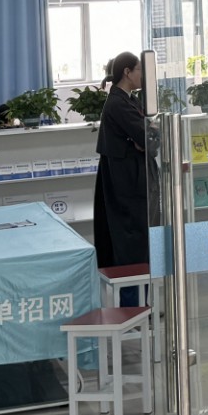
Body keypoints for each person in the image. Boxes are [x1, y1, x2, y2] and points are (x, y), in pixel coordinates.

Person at [92, 52, 150, 270]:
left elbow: (148, 135)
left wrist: (145, 139)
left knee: (139, 234)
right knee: (130, 235)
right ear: (127, 72)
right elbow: (147, 137)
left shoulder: (130, 99)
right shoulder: (118, 103)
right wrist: (143, 140)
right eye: (140, 70)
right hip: (125, 180)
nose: (143, 76)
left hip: (131, 175)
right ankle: (133, 289)